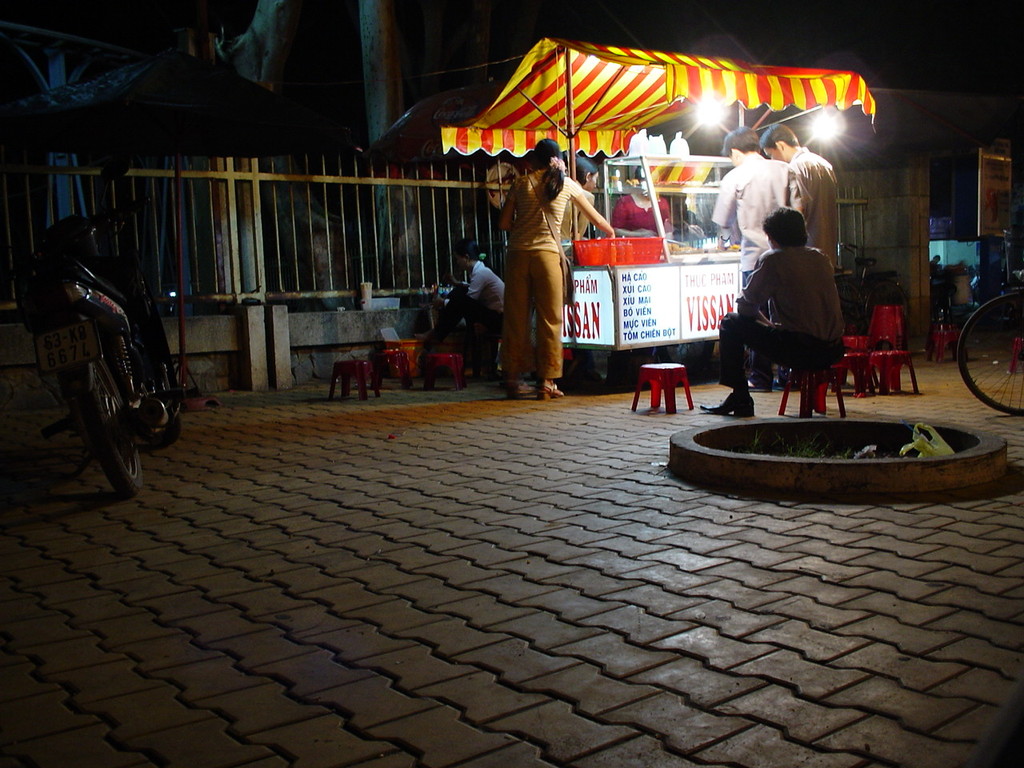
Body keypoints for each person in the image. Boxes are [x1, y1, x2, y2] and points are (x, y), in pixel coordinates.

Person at [701, 207, 845, 416]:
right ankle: (740, 396)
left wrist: (768, 324)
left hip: (800, 350)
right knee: (752, 325)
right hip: (834, 349)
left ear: (772, 237)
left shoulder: (774, 259)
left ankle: (740, 395)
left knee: (730, 323)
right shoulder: (820, 257)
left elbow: (745, 308)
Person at [499, 138, 614, 400]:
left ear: (535, 160)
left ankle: (513, 380)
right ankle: (547, 382)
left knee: (516, 319)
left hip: (518, 256)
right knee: (550, 320)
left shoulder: (521, 183)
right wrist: (612, 232)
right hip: (548, 256)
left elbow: (504, 224)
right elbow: (595, 217)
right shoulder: (567, 184)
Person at [712, 126, 793, 391]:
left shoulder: (736, 176)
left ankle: (760, 377)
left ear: (735, 152)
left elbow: (723, 222)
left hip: (753, 257)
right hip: (786, 255)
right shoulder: (784, 169)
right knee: (783, 315)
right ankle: (788, 374)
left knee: (755, 318)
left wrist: (724, 241)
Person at [760, 123, 838, 266]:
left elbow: (796, 213)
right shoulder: (825, 164)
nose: (772, 160)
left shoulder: (795, 167)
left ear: (781, 145)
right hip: (828, 250)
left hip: (806, 253)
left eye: (771, 154)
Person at [416, 238, 503, 347]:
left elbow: (466, 303)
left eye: (458, 259)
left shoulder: (481, 273)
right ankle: (436, 333)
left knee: (460, 295)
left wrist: (444, 302)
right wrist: (456, 283)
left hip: (498, 318)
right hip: (492, 315)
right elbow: (469, 290)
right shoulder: (480, 272)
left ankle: (436, 333)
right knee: (459, 290)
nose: (457, 263)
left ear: (466, 257)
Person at [611, 166, 671, 237]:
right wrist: (639, 234)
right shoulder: (625, 202)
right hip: (631, 246)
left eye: (655, 184)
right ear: (637, 183)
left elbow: (667, 228)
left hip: (657, 245)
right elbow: (615, 230)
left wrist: (668, 238)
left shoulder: (662, 203)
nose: (651, 188)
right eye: (647, 184)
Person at [561, 154, 600, 241]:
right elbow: (580, 231)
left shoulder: (560, 189)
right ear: (588, 177)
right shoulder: (587, 197)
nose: (595, 184)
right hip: (565, 247)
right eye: (595, 179)